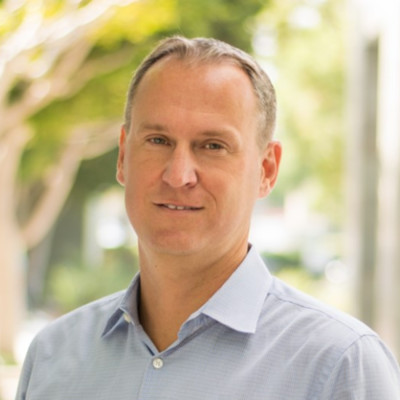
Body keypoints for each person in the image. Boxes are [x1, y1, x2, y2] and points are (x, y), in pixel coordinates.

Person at [16, 36, 400, 400]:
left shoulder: (340, 366)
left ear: (266, 169)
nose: (178, 175)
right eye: (158, 141)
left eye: (213, 146)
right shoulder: (52, 356)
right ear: (122, 156)